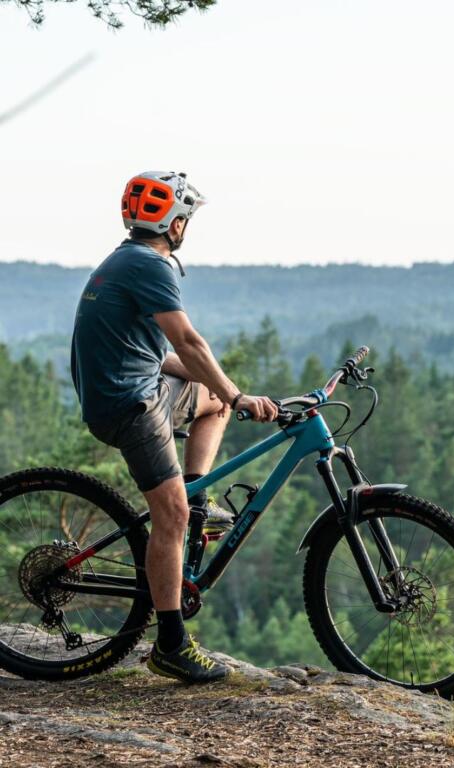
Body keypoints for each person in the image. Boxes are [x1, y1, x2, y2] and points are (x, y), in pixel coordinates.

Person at [70, 171, 278, 683]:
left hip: (139, 387)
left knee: (214, 405)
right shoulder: (152, 265)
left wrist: (226, 392)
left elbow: (157, 354)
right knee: (171, 518)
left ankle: (197, 501)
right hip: (129, 404)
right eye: (186, 219)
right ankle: (170, 644)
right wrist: (236, 391)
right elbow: (187, 342)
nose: (186, 226)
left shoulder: (125, 260)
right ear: (174, 222)